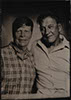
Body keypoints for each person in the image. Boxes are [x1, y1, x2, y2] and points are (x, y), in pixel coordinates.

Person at [32, 11, 70, 97]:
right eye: (43, 28)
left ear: (59, 27)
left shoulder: (68, 49)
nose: (46, 32)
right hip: (40, 97)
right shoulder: (34, 46)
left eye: (50, 27)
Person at [1, 16, 36, 94]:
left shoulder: (32, 57)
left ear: (31, 34)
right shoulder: (2, 54)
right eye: (19, 31)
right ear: (13, 33)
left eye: (26, 31)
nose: (22, 35)